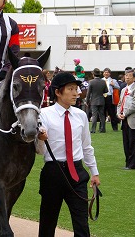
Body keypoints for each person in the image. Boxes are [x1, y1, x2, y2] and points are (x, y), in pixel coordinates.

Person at [36, 72, 100, 237]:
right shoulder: (43, 114)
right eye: (70, 89)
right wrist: (41, 139)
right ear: (58, 92)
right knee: (47, 223)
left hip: (77, 174)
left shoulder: (81, 115)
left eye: (76, 89)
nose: (76, 93)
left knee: (81, 224)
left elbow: (87, 146)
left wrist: (94, 173)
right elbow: (39, 151)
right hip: (53, 173)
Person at [117, 69, 135, 170]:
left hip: (133, 118)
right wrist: (118, 113)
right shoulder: (124, 89)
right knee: (126, 142)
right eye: (126, 75)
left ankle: (133, 164)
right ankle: (128, 162)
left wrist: (125, 113)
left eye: (129, 75)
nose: (127, 77)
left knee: (133, 142)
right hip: (124, 119)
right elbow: (120, 103)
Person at [86, 68, 108, 133]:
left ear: (93, 74)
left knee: (94, 115)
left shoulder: (91, 82)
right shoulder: (103, 81)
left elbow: (88, 93)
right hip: (101, 100)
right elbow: (106, 91)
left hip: (94, 100)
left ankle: (93, 129)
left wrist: (87, 101)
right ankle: (103, 129)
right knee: (102, 115)